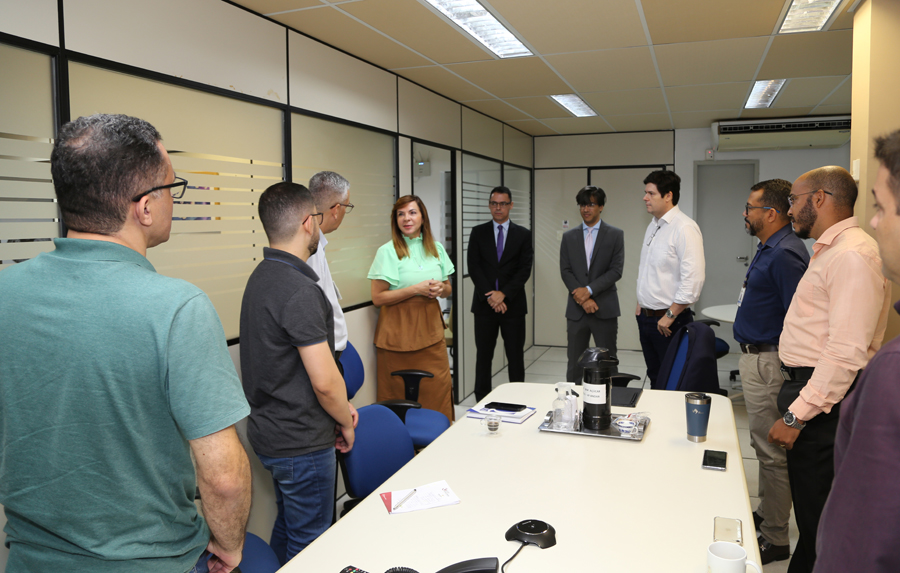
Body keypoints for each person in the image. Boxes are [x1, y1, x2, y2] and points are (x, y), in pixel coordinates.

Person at [0, 114, 251, 573]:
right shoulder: (178, 308)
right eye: (171, 187)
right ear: (145, 207)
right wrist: (230, 545)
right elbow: (223, 478)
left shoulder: (5, 293)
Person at [767, 166, 890, 573]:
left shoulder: (852, 255)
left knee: (818, 520)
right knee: (811, 515)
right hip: (813, 394)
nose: (789, 210)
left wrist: (796, 415)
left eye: (794, 200)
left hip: (823, 406)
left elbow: (844, 352)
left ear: (818, 198)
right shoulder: (832, 251)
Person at [239, 182, 357, 564]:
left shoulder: (261, 277)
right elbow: (324, 383)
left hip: (271, 433)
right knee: (311, 543)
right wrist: (345, 421)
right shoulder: (300, 289)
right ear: (309, 223)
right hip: (301, 441)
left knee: (290, 525)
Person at [813, 132, 900, 573]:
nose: (875, 223)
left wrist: (796, 413)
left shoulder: (892, 372)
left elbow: (861, 542)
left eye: (881, 207)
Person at [732, 179, 809, 565]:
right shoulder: (769, 247)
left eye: (750, 207)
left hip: (769, 361)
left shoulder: (785, 255)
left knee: (772, 453)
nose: (745, 214)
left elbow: (800, 317)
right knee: (762, 447)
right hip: (756, 357)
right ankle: (767, 513)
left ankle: (776, 537)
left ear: (772, 213)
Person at [368, 195, 455, 420]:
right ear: (395, 220)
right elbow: (378, 298)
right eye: (401, 214)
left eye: (412, 212)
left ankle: (439, 434)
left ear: (422, 217)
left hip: (431, 331)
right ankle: (397, 437)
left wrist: (441, 289)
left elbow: (448, 288)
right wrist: (415, 289)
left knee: (437, 387)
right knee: (395, 391)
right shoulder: (387, 251)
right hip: (396, 332)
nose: (406, 218)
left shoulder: (436, 248)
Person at [635, 170, 705, 384]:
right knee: (655, 377)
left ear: (668, 196)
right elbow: (649, 269)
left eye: (651, 193)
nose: (645, 198)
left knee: (673, 381)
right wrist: (641, 302)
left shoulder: (684, 228)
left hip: (668, 321)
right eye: (645, 193)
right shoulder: (653, 225)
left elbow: (693, 278)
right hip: (646, 318)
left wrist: (671, 314)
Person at [467, 186, 534, 401]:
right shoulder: (478, 232)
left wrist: (503, 294)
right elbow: (474, 267)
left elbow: (524, 269)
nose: (498, 207)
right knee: (483, 356)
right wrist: (491, 296)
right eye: (494, 203)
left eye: (503, 203)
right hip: (484, 306)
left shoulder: (523, 235)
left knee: (515, 356)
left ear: (511, 205)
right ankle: (482, 400)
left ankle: (517, 399)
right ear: (489, 205)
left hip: (513, 306)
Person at [559, 185, 624, 382]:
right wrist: (583, 299)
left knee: (607, 362)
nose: (586, 209)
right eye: (582, 205)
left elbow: (616, 270)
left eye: (591, 204)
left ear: (601, 207)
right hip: (577, 311)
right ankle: (573, 399)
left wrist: (588, 290)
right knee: (575, 363)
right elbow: (565, 271)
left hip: (604, 308)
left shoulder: (615, 234)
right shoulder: (569, 237)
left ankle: (610, 399)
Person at [307, 171, 352, 369]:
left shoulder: (317, 243)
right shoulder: (310, 249)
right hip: (325, 354)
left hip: (330, 349)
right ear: (336, 210)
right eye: (347, 207)